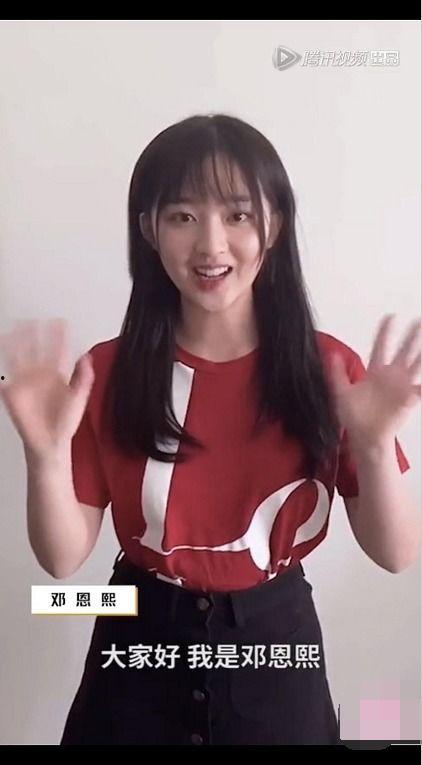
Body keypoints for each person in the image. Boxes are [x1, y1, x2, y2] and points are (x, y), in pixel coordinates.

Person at [0, 113, 417, 746]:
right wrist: (44, 455)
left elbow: (396, 555)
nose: (211, 245)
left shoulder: (330, 370)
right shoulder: (104, 373)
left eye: (238, 215)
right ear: (149, 229)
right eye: (183, 216)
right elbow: (61, 562)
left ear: (274, 224)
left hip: (277, 649)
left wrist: (374, 447)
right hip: (136, 641)